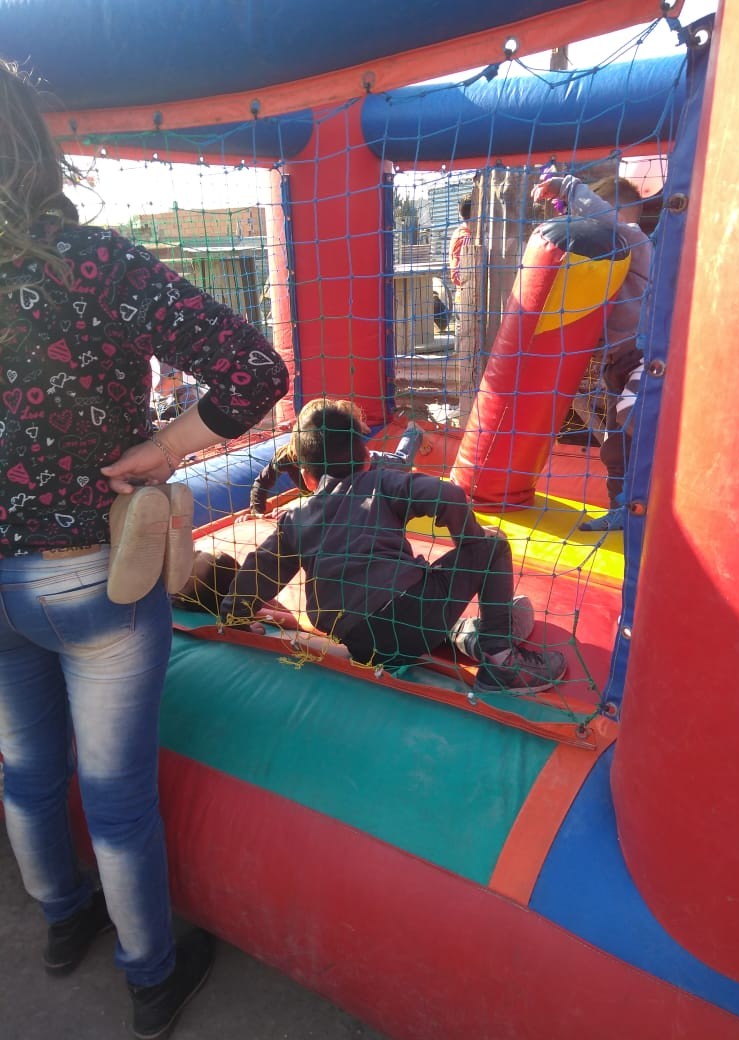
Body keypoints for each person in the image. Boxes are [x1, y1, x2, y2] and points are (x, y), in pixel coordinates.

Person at [0, 60, 289, 1040]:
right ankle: (151, 975)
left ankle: (61, 920)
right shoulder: (93, 264)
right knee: (116, 793)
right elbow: (254, 369)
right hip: (94, 568)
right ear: (32, 146)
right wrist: (166, 448)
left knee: (26, 766)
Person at [222, 405, 567, 695]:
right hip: (410, 616)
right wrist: (471, 547)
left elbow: (259, 568)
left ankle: (460, 631)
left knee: (407, 589)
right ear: (367, 458)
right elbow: (448, 495)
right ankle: (500, 658)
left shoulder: (295, 519)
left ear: (307, 477)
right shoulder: (379, 482)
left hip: (359, 643)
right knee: (492, 545)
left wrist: (234, 616)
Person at [532, 174, 651, 531]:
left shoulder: (635, 239)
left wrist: (567, 188)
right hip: (616, 361)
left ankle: (651, 499)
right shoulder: (603, 258)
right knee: (614, 447)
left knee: (634, 419)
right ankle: (621, 509)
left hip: (646, 355)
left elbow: (607, 219)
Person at [249, 396, 424, 515]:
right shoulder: (287, 455)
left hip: (366, 462)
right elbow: (262, 482)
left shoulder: (348, 457)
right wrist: (257, 512)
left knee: (402, 462)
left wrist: (297, 509)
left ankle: (413, 432)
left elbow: (342, 495)